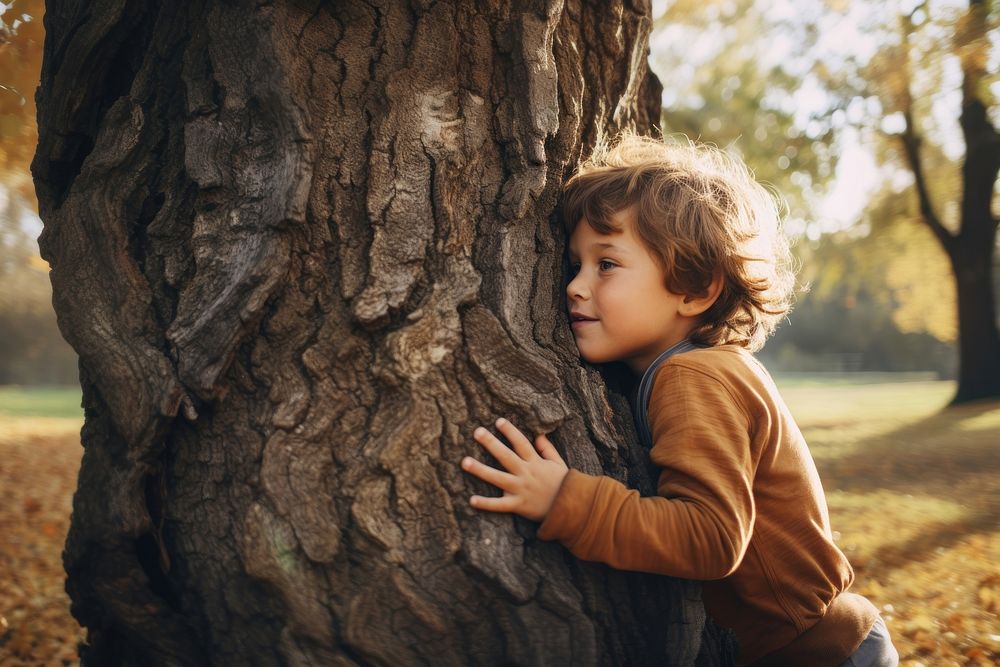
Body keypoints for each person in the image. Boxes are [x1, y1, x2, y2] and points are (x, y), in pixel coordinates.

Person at [459, 132, 898, 666]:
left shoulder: (695, 379)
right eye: (575, 265)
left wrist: (566, 502)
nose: (574, 286)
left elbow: (711, 537)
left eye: (607, 264)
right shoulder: (693, 369)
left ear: (695, 288)